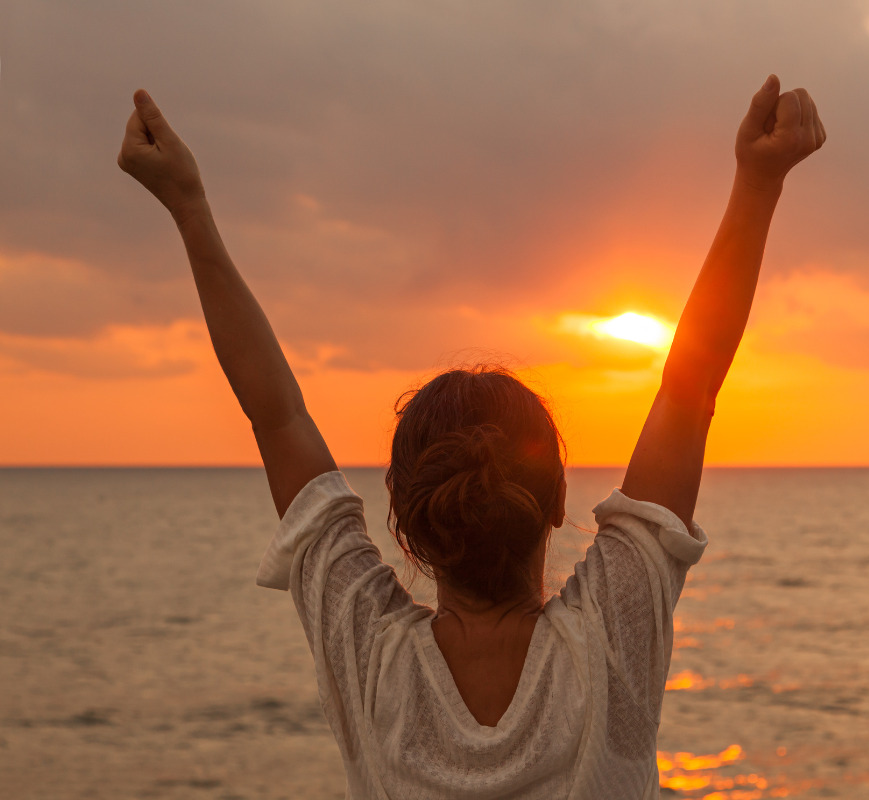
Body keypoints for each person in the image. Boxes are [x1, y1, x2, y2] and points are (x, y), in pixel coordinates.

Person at [117, 74, 825, 799]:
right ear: (554, 505)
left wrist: (189, 206)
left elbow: (277, 417)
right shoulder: (611, 635)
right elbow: (690, 391)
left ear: (409, 524)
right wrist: (757, 182)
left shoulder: (371, 658)